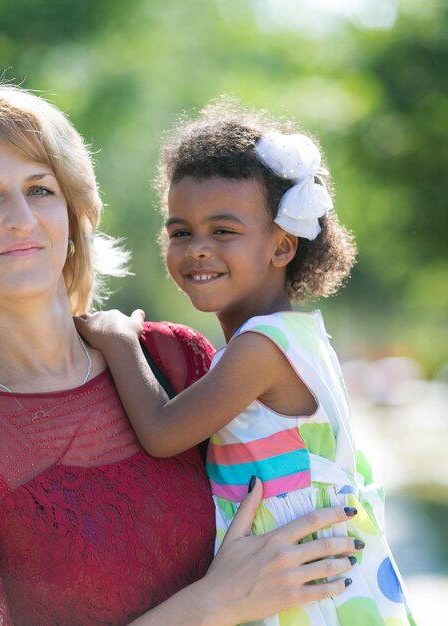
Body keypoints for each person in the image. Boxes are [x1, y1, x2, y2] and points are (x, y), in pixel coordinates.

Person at [0, 84, 359, 626]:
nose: (20, 219)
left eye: (40, 189)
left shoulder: (174, 361)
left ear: (77, 211)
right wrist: (207, 607)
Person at [75, 98, 416, 625]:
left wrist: (119, 339)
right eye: (180, 231)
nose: (198, 248)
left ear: (281, 248)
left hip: (307, 597)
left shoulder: (261, 349)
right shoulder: (298, 336)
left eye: (224, 231)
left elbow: (164, 434)